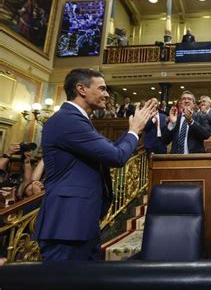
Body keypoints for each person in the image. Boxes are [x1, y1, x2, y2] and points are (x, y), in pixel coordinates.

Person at [34, 68, 156, 262]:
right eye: (102, 89)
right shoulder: (68, 121)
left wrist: (135, 130)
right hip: (67, 226)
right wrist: (134, 130)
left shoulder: (79, 121)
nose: (107, 94)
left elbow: (113, 149)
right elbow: (117, 156)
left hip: (81, 223)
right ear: (81, 89)